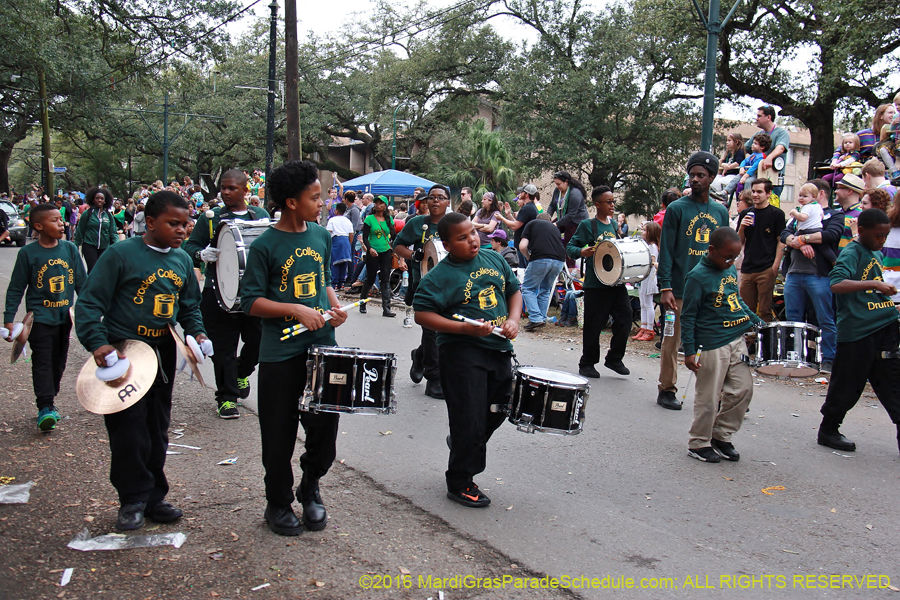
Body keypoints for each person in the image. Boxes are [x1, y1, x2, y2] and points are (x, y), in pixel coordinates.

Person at [74, 191, 209, 531]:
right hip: (125, 353)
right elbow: (90, 304)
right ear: (149, 222)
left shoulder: (181, 261)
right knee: (129, 430)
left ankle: (154, 497)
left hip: (162, 353)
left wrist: (198, 333)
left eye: (185, 224)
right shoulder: (120, 255)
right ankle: (131, 499)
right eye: (173, 223)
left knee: (156, 427)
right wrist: (98, 344)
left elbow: (189, 305)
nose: (182, 230)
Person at [240, 159, 348, 536]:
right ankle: (278, 502)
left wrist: (333, 308)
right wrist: (294, 310)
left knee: (324, 435)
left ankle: (310, 486)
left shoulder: (319, 235)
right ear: (290, 202)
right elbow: (250, 301)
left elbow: (323, 279)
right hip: (280, 356)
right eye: (315, 197)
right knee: (278, 435)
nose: (323, 202)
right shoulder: (265, 246)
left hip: (322, 352)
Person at [413, 212, 522, 508]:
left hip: (499, 348)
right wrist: (463, 327)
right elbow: (422, 313)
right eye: (462, 238)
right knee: (469, 418)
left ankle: (464, 441)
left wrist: (513, 320)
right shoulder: (440, 276)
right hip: (461, 352)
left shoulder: (494, 259)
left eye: (472, 233)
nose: (472, 240)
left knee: (500, 408)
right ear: (447, 245)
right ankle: (460, 480)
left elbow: (513, 291)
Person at [183, 169, 268, 419]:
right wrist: (202, 254)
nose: (226, 192)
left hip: (253, 292)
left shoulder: (259, 215)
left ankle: (241, 373)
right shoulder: (210, 218)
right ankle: (227, 397)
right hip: (217, 290)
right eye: (223, 187)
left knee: (259, 342)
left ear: (245, 191)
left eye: (232, 188)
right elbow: (191, 246)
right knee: (222, 348)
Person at [816, 208, 900, 457]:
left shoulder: (875, 250)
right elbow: (836, 283)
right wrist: (874, 284)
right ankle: (828, 429)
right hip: (858, 332)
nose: (882, 241)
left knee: (893, 383)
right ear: (861, 231)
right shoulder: (852, 252)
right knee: (847, 384)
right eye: (878, 236)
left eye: (885, 236)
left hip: (885, 325)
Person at [656, 151, 730, 410]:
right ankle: (666, 388)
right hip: (677, 288)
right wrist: (665, 286)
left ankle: (714, 392)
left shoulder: (720, 212)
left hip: (708, 289)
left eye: (701, 175)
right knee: (672, 339)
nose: (695, 180)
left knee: (708, 341)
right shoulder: (676, 209)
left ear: (712, 177)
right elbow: (666, 250)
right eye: (691, 175)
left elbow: (724, 253)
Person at [681, 227, 762, 463]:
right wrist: (689, 351)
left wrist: (757, 323)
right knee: (708, 396)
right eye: (727, 257)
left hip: (736, 339)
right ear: (711, 250)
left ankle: (721, 436)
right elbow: (688, 316)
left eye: (735, 258)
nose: (730, 262)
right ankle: (699, 443)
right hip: (711, 343)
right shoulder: (697, 277)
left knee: (743, 389)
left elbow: (736, 301)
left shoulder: (728, 271)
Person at [4, 203, 86, 431]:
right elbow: (16, 288)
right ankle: (45, 406)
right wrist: (9, 320)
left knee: (58, 363)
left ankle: (50, 399)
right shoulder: (28, 253)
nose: (61, 223)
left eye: (61, 219)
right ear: (38, 226)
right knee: (42, 362)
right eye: (54, 220)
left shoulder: (69, 249)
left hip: (63, 319)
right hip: (38, 319)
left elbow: (83, 284)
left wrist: (92, 312)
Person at [393, 185, 452, 399]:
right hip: (423, 285)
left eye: (441, 197)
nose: (435, 201)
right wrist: (413, 255)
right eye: (432, 197)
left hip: (450, 286)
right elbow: (397, 245)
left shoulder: (455, 224)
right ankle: (434, 378)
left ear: (448, 202)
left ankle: (419, 356)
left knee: (441, 331)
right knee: (431, 330)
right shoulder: (418, 223)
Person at [567, 186, 632, 378]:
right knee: (594, 324)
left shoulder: (613, 225)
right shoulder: (588, 225)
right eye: (608, 202)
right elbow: (570, 247)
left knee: (626, 318)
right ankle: (587, 363)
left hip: (616, 283)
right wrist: (581, 252)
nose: (613, 205)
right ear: (597, 205)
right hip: (596, 285)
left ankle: (614, 358)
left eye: (613, 201)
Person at [780, 179, 843, 373]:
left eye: (804, 195)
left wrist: (800, 239)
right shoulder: (799, 214)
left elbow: (829, 235)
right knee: (793, 318)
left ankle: (829, 358)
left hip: (819, 275)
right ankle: (794, 355)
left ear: (819, 195)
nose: (800, 198)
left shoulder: (834, 215)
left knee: (825, 318)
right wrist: (798, 242)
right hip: (794, 273)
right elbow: (784, 233)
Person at [736, 178, 785, 322]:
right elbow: (739, 243)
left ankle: (765, 343)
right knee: (746, 311)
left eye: (759, 192)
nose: (755, 195)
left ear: (769, 193)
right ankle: (748, 343)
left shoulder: (777, 214)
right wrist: (742, 227)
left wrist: (775, 266)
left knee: (764, 310)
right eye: (753, 191)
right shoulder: (745, 213)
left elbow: (780, 242)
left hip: (766, 268)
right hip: (747, 268)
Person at [519, 213, 566, 331]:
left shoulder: (532, 224)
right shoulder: (555, 228)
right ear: (549, 220)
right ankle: (542, 318)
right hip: (559, 261)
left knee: (528, 288)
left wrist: (528, 257)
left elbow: (522, 246)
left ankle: (535, 318)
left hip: (540, 258)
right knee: (545, 290)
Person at [358, 196, 397, 317]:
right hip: (373, 252)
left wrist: (395, 249)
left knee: (385, 279)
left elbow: (393, 235)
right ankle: (362, 302)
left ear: (385, 206)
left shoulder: (389, 219)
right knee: (370, 278)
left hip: (385, 251)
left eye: (381, 203)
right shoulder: (369, 219)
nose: (378, 205)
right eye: (376, 203)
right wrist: (370, 248)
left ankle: (386, 308)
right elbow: (365, 237)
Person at [745, 105, 790, 198]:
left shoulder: (781, 133)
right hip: (757, 176)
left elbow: (780, 148)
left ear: (768, 117)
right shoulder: (758, 135)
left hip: (773, 178)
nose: (756, 119)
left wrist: (769, 158)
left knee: (770, 208)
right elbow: (743, 149)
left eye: (759, 116)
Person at [548, 172, 589, 268]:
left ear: (566, 182)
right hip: (563, 218)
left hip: (575, 222)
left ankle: (571, 270)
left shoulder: (575, 193)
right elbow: (552, 205)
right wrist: (547, 217)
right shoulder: (557, 191)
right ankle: (553, 254)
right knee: (548, 230)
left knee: (569, 244)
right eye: (556, 184)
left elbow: (571, 215)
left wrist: (556, 224)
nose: (557, 186)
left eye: (559, 184)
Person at [73, 187, 119, 273]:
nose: (99, 200)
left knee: (103, 270)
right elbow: (80, 231)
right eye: (97, 198)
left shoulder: (108, 215)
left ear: (105, 201)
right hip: (89, 245)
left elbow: (113, 232)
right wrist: (76, 245)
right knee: (93, 269)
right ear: (93, 200)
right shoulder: (87, 214)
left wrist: (118, 245)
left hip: (104, 247)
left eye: (102, 199)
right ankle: (90, 286)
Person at [497, 184, 539, 268]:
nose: (520, 194)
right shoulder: (531, 207)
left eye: (522, 192)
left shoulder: (526, 208)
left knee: (522, 271)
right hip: (526, 245)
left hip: (524, 247)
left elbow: (515, 226)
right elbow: (518, 224)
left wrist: (501, 218)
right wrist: (509, 214)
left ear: (527, 194)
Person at [633, 221, 660, 341]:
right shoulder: (646, 245)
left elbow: (652, 262)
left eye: (645, 230)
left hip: (650, 277)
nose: (642, 232)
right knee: (643, 303)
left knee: (648, 304)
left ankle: (650, 329)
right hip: (644, 276)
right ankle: (643, 327)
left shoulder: (652, 247)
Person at [326, 202, 354, 290]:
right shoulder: (348, 221)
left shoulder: (332, 220)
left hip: (336, 241)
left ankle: (334, 284)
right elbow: (351, 234)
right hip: (346, 241)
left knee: (335, 263)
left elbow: (329, 232)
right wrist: (349, 244)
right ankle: (341, 283)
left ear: (336, 210)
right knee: (344, 263)